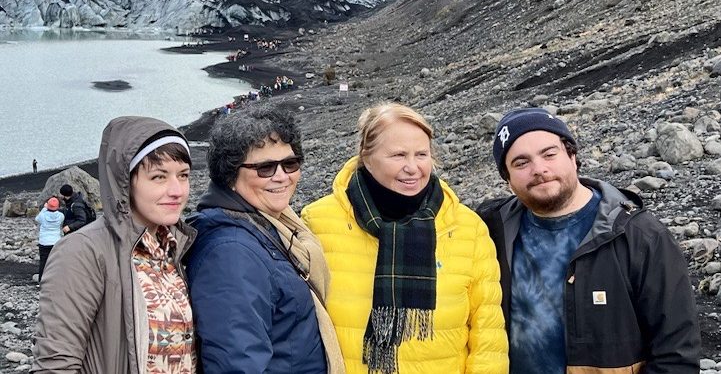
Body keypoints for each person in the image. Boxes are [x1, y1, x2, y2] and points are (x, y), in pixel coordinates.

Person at [476, 108, 701, 374]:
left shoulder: (639, 235)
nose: (539, 169)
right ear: (508, 179)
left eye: (549, 154)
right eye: (521, 163)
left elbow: (676, 355)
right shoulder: (490, 230)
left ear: (572, 156)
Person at [301, 102, 508, 374]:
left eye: (421, 154)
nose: (412, 167)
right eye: (398, 155)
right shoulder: (318, 222)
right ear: (367, 156)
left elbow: (488, 335)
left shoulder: (467, 227)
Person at [32, 116, 197, 373]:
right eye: (159, 177)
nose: (177, 190)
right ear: (124, 182)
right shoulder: (82, 252)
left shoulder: (176, 246)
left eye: (183, 175)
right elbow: (55, 365)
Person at [185, 107, 343, 373]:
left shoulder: (268, 224)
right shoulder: (231, 252)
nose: (282, 176)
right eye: (265, 168)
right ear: (230, 174)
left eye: (290, 163)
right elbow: (236, 364)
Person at [34, 197, 64, 283]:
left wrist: (44, 208)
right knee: (55, 261)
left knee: (43, 262)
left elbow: (37, 219)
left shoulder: (43, 215)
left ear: (48, 206)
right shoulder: (61, 216)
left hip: (44, 242)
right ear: (57, 206)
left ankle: (41, 281)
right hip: (56, 242)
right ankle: (55, 281)